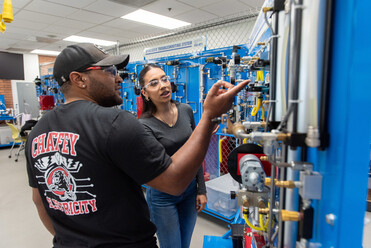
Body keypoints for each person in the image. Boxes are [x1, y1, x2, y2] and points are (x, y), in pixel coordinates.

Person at [25, 43, 250, 248]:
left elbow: (39, 201)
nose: (119, 79)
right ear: (79, 79)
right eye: (110, 71)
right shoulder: (116, 123)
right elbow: (173, 182)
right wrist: (209, 115)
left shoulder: (36, 134)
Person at [138, 64, 207, 248]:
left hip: (190, 190)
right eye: (154, 83)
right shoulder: (144, 126)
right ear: (145, 93)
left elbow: (195, 153)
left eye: (164, 79)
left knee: (185, 244)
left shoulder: (185, 110)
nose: (162, 85)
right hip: (163, 196)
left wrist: (201, 189)